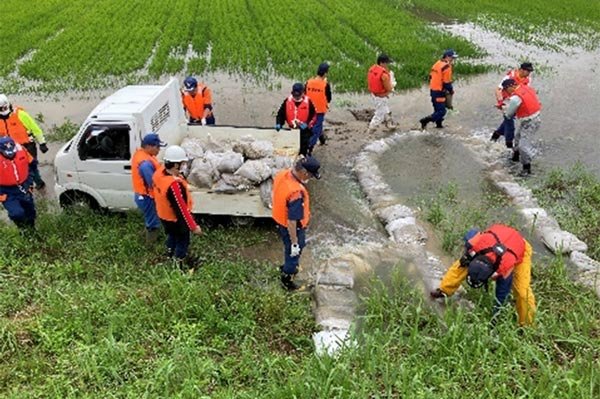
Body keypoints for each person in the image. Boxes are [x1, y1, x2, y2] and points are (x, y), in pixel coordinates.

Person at [430, 224, 536, 326]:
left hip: (519, 247)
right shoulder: (474, 245)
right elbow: (471, 234)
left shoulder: (504, 267)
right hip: (497, 237)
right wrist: (467, 255)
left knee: (522, 292)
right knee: (462, 264)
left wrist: (496, 316)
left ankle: (527, 325)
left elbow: (502, 293)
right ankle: (444, 290)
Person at [272, 156, 321, 291]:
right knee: (293, 253)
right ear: (304, 173)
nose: (310, 178)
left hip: (279, 220)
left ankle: (287, 266)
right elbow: (292, 222)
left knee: (293, 247)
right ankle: (287, 281)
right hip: (292, 228)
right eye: (311, 176)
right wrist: (295, 243)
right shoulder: (296, 193)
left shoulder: (283, 174)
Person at [152, 145, 203, 270]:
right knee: (182, 241)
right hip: (175, 220)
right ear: (175, 165)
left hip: (164, 216)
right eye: (182, 163)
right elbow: (181, 209)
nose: (183, 166)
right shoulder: (174, 185)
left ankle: (169, 253)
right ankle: (178, 264)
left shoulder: (159, 173)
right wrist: (193, 226)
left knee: (171, 236)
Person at [0, 94, 48, 189]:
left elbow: (35, 128)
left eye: (4, 107)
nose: (3, 110)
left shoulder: (20, 114)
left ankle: (37, 182)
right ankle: (25, 186)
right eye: (1, 109)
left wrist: (42, 143)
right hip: (10, 150)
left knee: (31, 167)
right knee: (15, 169)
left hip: (27, 147)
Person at [491, 63, 534, 156]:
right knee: (509, 123)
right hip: (506, 101)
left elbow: (526, 90)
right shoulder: (509, 76)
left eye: (530, 71)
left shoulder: (528, 79)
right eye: (528, 71)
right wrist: (500, 102)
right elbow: (498, 90)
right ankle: (509, 146)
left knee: (507, 122)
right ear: (521, 70)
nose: (529, 73)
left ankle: (495, 136)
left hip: (516, 102)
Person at [500, 78, 542, 176]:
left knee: (523, 146)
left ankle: (526, 169)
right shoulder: (526, 88)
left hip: (530, 122)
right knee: (517, 138)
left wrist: (503, 109)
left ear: (510, 87)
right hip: (534, 117)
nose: (506, 93)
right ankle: (515, 157)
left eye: (506, 90)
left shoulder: (515, 98)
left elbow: (509, 114)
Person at [131, 132, 166, 244]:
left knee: (150, 218)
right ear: (149, 146)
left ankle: (146, 235)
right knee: (153, 222)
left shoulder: (142, 154)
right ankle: (151, 245)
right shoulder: (145, 164)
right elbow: (153, 183)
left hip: (143, 195)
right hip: (146, 197)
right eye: (157, 147)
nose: (159, 150)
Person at [0, 137, 36, 229]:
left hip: (24, 186)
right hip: (6, 191)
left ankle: (32, 229)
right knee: (17, 213)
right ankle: (22, 229)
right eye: (7, 153)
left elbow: (32, 165)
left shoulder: (22, 150)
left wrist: (30, 182)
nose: (10, 155)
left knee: (30, 211)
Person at [420, 49, 458, 129]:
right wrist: (451, 91)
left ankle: (439, 125)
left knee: (438, 109)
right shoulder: (446, 67)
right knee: (442, 111)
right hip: (440, 91)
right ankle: (425, 120)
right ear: (447, 57)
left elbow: (431, 76)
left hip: (433, 90)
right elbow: (447, 82)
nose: (453, 60)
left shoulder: (437, 63)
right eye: (452, 58)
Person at [275, 83, 316, 156]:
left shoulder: (308, 102)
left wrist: (308, 124)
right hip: (292, 130)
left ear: (302, 93)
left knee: (303, 148)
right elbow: (280, 114)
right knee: (292, 147)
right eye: (295, 95)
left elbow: (313, 116)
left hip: (304, 130)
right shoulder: (287, 101)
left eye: (298, 95)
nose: (296, 97)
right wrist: (279, 123)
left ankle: (304, 158)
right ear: (292, 93)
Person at [305, 62, 332, 149]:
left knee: (311, 126)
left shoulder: (308, 82)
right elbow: (329, 98)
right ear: (325, 73)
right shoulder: (325, 85)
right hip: (319, 110)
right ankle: (309, 148)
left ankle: (322, 139)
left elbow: (304, 94)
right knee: (316, 129)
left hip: (308, 109)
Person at [367, 54, 396, 133]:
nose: (387, 65)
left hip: (374, 95)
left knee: (385, 109)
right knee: (379, 115)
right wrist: (392, 86)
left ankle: (389, 123)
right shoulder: (384, 75)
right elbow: (389, 88)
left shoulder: (372, 69)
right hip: (381, 97)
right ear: (382, 63)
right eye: (387, 63)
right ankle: (371, 130)